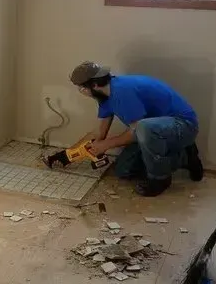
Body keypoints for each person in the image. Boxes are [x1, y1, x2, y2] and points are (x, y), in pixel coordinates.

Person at [69, 61, 203, 196]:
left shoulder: (122, 92)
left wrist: (106, 145)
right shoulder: (105, 96)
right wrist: (71, 153)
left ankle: (160, 179)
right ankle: (182, 157)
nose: (81, 92)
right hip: (155, 132)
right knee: (123, 170)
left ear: (94, 85)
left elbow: (137, 129)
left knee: (143, 127)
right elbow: (99, 133)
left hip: (183, 126)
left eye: (81, 88)